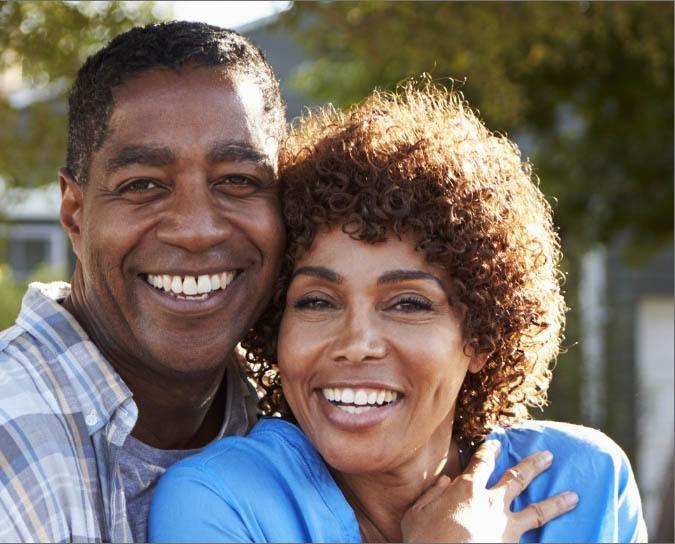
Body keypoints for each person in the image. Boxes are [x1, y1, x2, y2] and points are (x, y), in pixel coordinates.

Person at [149, 83, 648, 542]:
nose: (356, 342)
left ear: (480, 336)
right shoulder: (219, 502)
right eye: (317, 301)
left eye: (409, 303)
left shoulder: (584, 484)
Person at [0, 21, 286, 543]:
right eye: (143, 186)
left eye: (238, 181)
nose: (197, 230)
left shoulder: (301, 415)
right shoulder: (10, 439)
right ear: (74, 212)